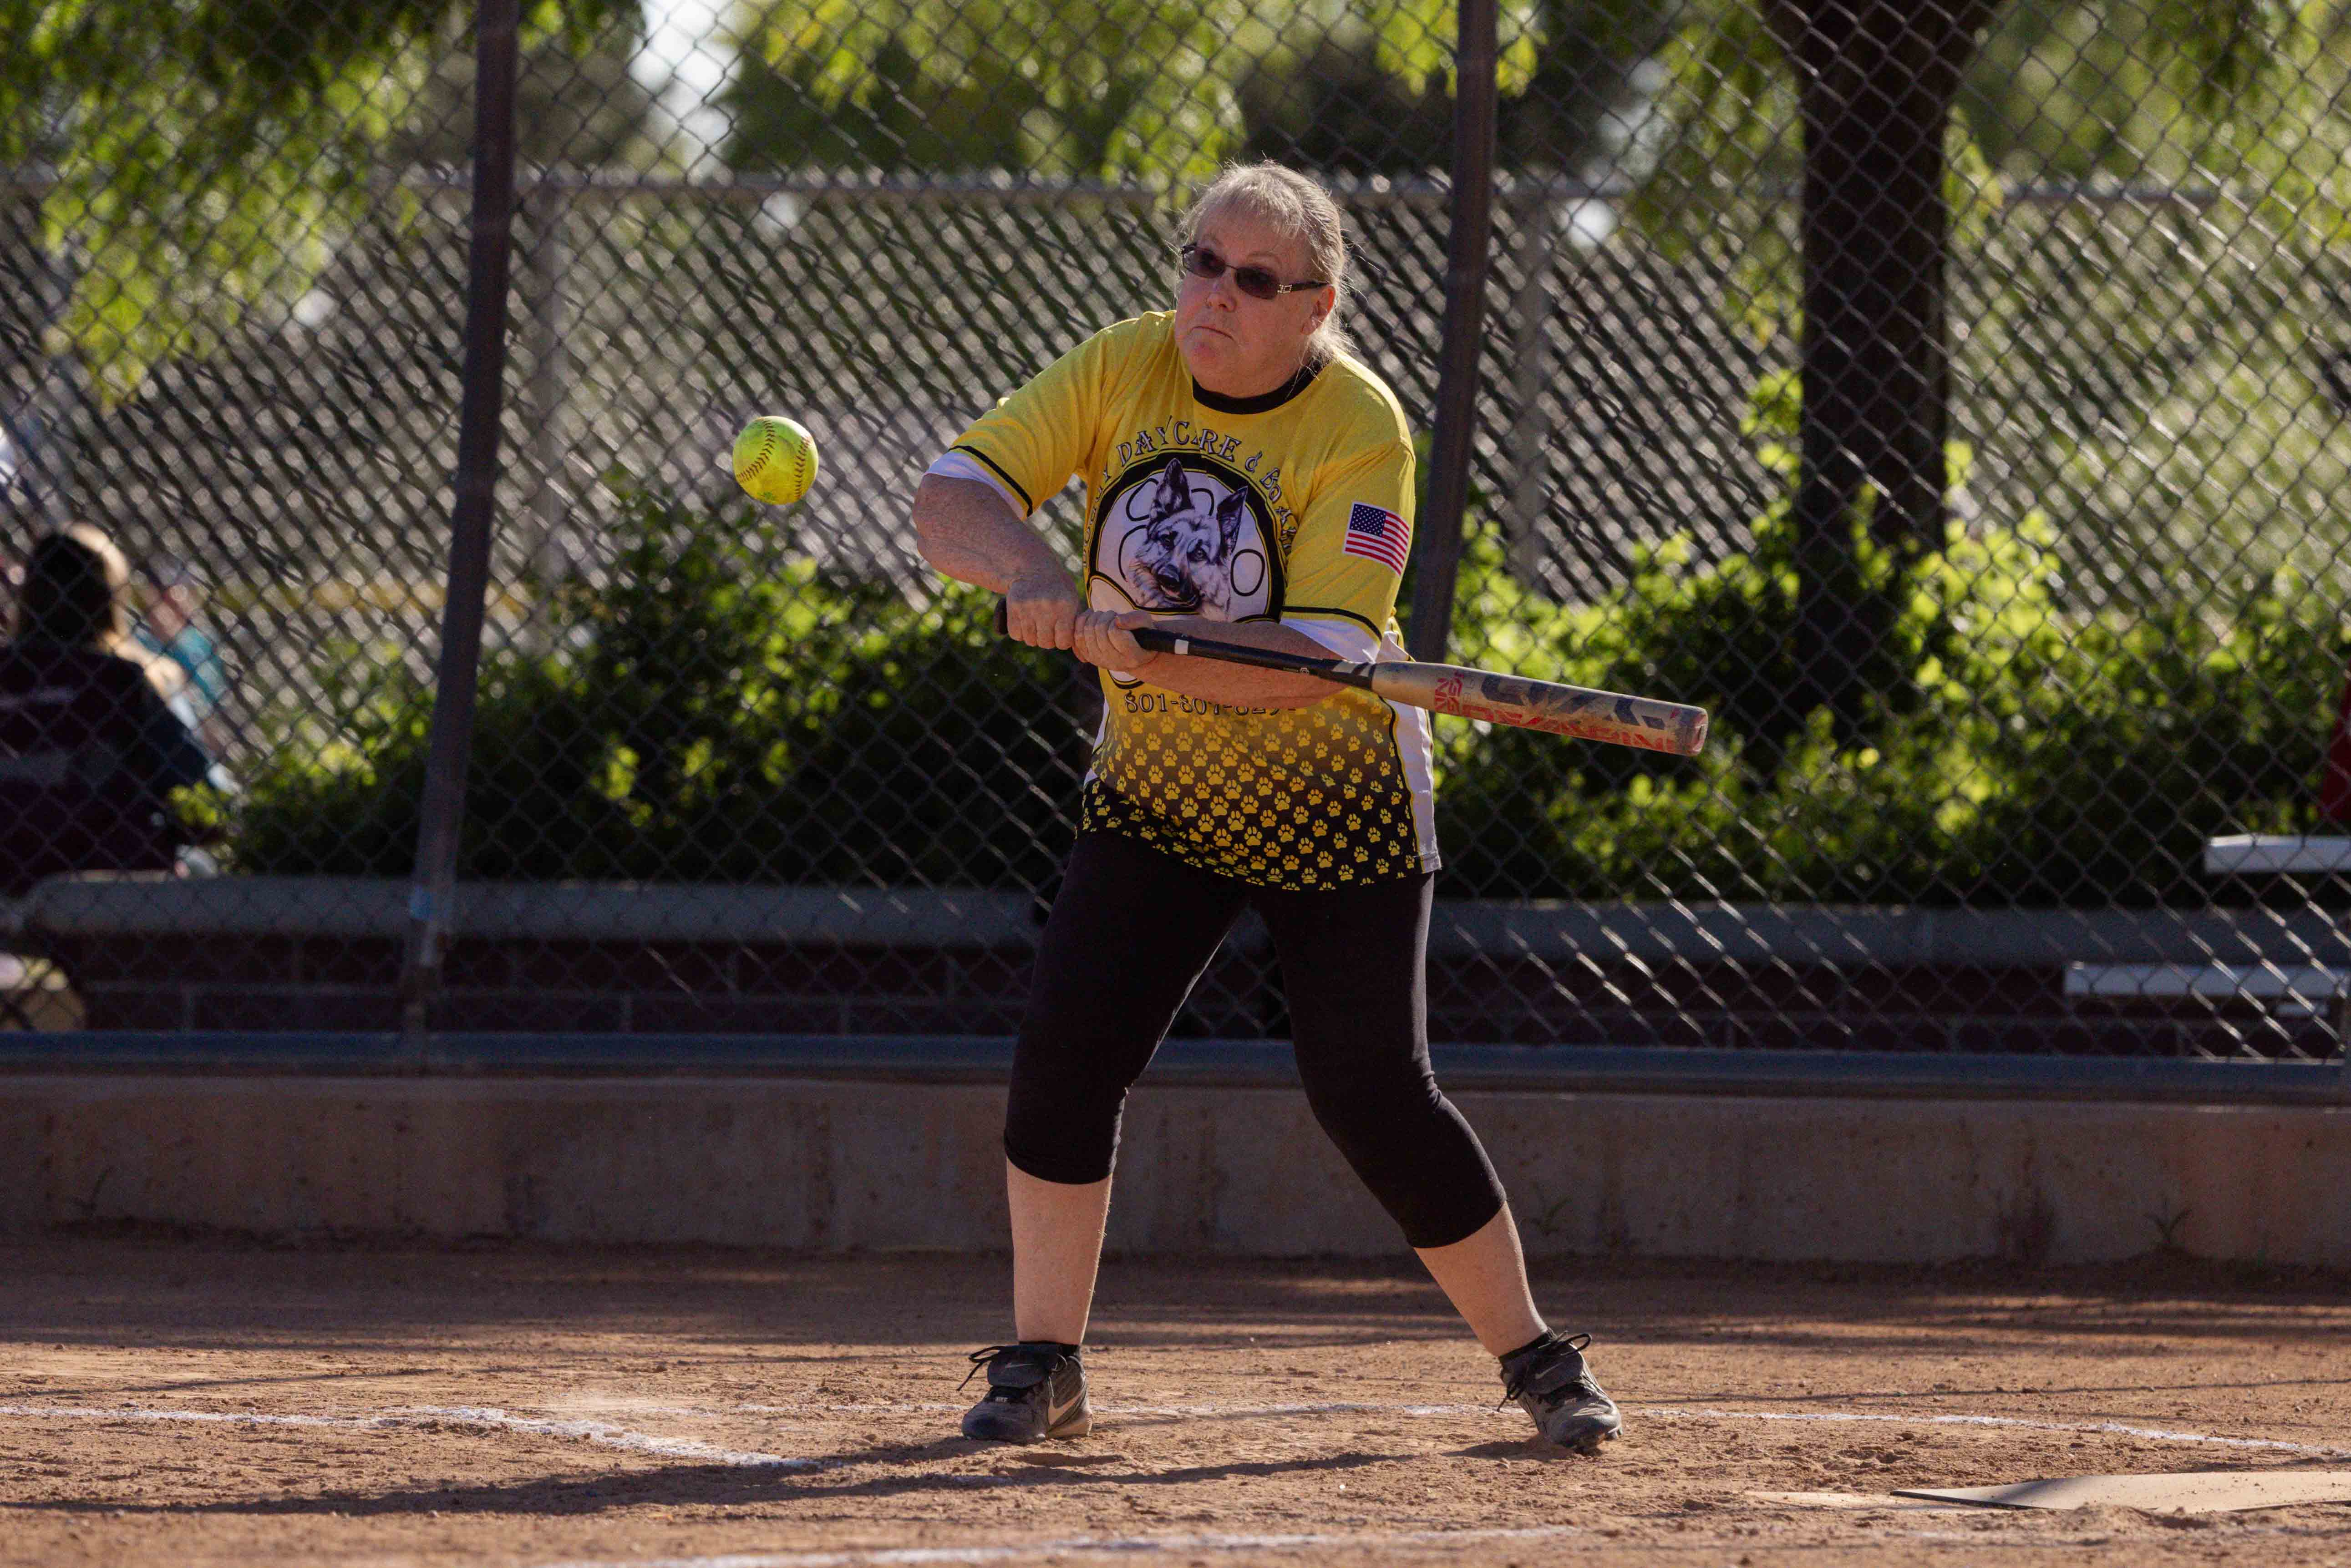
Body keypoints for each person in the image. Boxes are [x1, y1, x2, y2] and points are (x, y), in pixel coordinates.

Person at [910, 162, 1622, 1452]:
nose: (1213, 294)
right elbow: (949, 497)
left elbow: (1310, 661)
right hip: (1158, 793)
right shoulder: (1119, 365)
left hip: (1334, 795)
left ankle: (1535, 1355)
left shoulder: (1361, 425)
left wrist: (1147, 643)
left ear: (1314, 304)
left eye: (1251, 278)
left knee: (1368, 1089)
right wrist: (1030, 575)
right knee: (1066, 1055)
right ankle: (1041, 1362)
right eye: (1198, 260)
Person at [0, 525, 214, 897]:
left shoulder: (8, 674)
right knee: (202, 869)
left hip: (8, 865)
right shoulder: (126, 679)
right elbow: (198, 786)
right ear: (110, 598)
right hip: (108, 868)